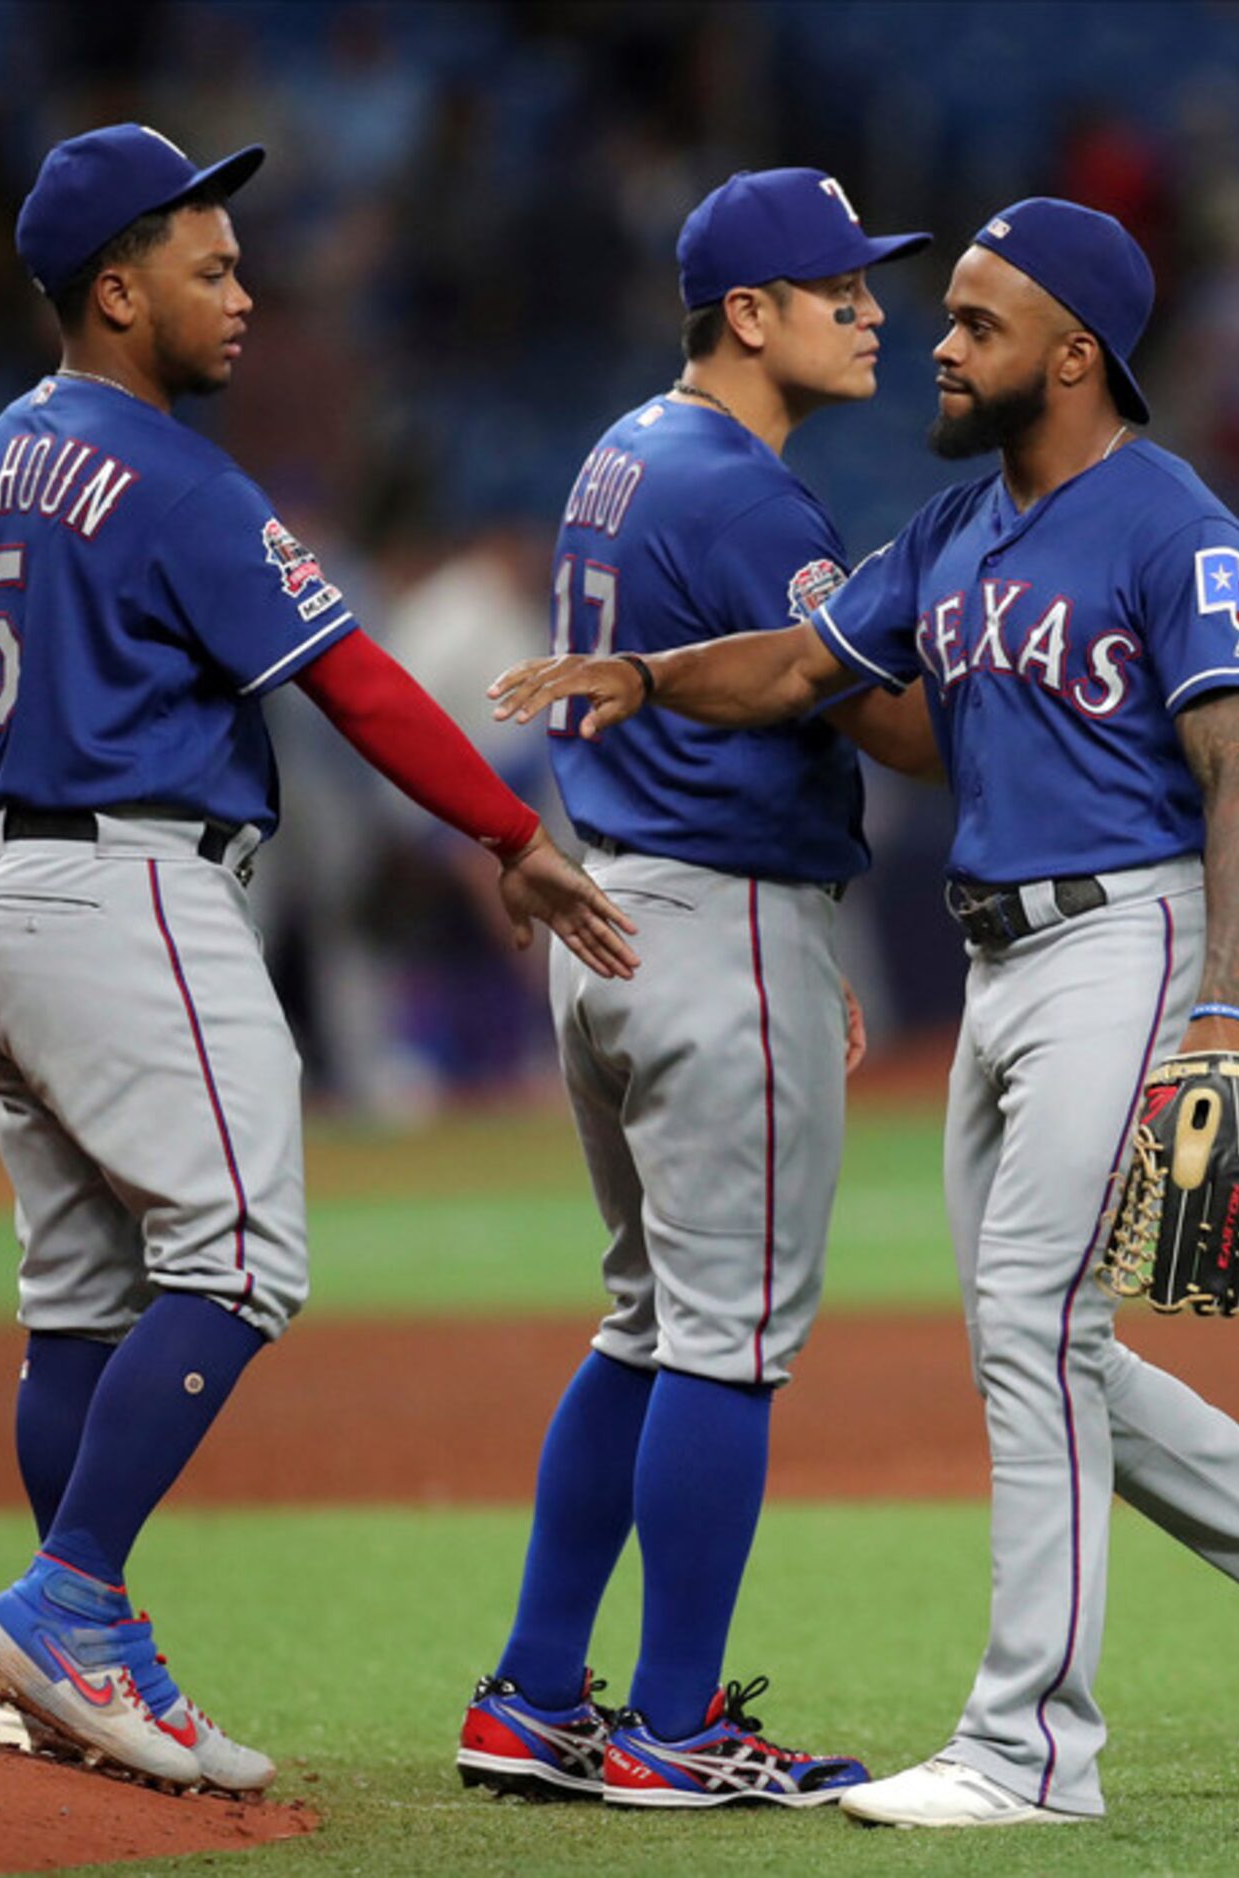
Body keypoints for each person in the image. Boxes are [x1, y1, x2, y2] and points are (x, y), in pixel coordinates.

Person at [493, 198, 1239, 1829]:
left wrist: (1225, 1008)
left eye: (975, 322)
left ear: (1074, 353)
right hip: (997, 963)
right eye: (941, 315)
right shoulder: (956, 529)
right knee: (1039, 1335)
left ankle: (1030, 1749)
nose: (936, 342)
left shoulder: (1177, 528)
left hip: (1127, 941)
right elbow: (804, 667)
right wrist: (651, 677)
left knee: (1034, 1324)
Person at [0, 125, 634, 1795]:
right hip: (126, 891)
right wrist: (511, 833)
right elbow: (361, 683)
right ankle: (74, 1609)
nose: (244, 292)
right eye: (209, 264)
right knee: (242, 1255)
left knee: (80, 1294)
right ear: (117, 289)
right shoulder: (168, 471)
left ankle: (66, 1664)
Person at [454, 167, 942, 1810]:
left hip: (619, 920)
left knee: (651, 1325)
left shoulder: (620, 451)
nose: (877, 311)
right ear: (750, 313)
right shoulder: (747, 494)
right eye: (842, 289)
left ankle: (533, 1690)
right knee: (725, 1343)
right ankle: (671, 1725)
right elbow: (861, 708)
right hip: (720, 918)